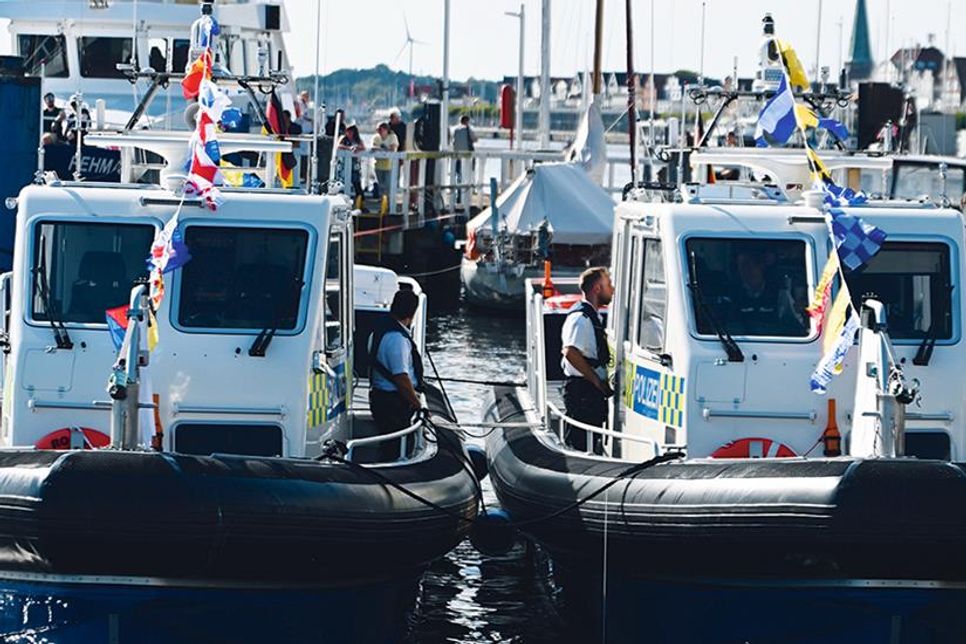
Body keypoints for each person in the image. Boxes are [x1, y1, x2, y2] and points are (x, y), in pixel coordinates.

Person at [561, 267, 614, 453]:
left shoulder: (594, 316)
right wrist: (597, 382)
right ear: (597, 289)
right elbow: (570, 352)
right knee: (580, 441)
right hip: (582, 391)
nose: (613, 289)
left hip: (590, 391)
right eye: (609, 285)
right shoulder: (580, 319)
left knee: (592, 436)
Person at [368, 289, 424, 462]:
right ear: (412, 313)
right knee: (395, 447)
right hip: (392, 402)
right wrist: (418, 404)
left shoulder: (380, 329)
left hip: (382, 398)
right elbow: (401, 378)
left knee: (388, 444)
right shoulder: (397, 339)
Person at [728, 248, 803, 335]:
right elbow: (729, 326)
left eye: (748, 265)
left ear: (761, 266)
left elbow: (793, 326)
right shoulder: (733, 295)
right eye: (740, 266)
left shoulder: (779, 293)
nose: (744, 271)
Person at [370, 121, 399, 198]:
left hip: (389, 166)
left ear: (386, 129)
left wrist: (380, 149)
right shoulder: (376, 137)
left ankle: (389, 203)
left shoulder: (392, 137)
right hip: (378, 165)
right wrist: (384, 149)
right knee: (381, 186)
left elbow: (393, 148)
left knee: (388, 186)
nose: (379, 131)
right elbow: (373, 148)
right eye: (378, 130)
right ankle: (383, 202)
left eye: (381, 129)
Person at [338, 124, 365, 198]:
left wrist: (357, 147)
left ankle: (361, 201)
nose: (349, 133)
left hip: (355, 166)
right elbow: (338, 146)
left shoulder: (358, 140)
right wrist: (349, 148)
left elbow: (363, 147)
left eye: (351, 131)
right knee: (342, 183)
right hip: (344, 165)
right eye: (348, 131)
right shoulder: (343, 138)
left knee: (357, 183)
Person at [452, 114, 478, 184]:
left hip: (457, 154)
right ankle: (469, 186)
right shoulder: (468, 129)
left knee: (458, 171)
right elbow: (475, 139)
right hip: (467, 153)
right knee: (469, 170)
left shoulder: (455, 129)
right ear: (467, 121)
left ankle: (458, 184)